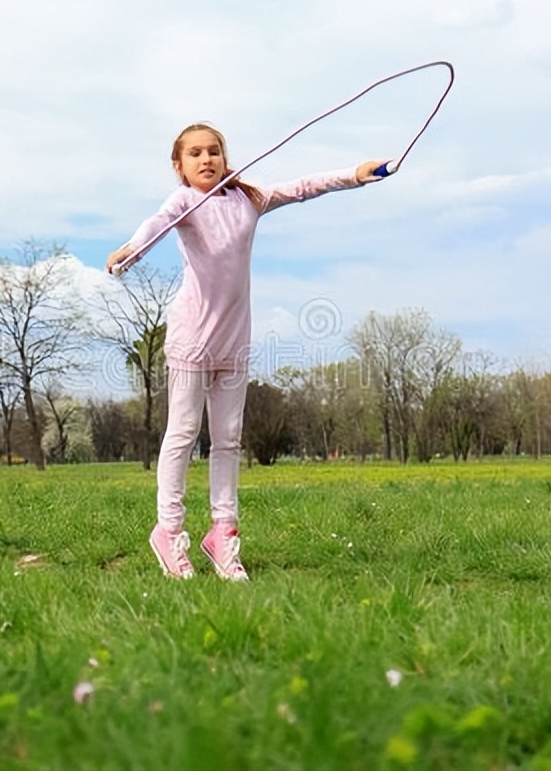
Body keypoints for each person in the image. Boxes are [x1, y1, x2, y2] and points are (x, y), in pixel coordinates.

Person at [106, 122, 386, 580]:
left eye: (214, 151)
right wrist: (132, 249)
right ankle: (168, 531)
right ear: (179, 165)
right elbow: (157, 224)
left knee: (228, 440)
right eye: (195, 153)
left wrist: (354, 174)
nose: (206, 159)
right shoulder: (184, 203)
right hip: (192, 337)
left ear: (224, 156)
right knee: (182, 434)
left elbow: (302, 187)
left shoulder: (248, 199)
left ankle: (223, 534)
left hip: (234, 339)